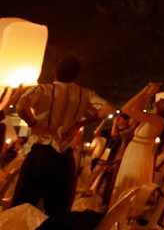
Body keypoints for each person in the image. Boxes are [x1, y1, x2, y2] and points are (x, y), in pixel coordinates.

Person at [13, 55, 114, 216]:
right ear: (77, 75)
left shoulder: (41, 89)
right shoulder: (85, 94)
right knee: (58, 213)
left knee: (21, 208)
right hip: (64, 159)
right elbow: (108, 110)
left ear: (54, 71)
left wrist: (33, 123)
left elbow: (21, 107)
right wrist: (79, 124)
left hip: (39, 155)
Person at [110, 82, 164, 205]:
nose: (160, 100)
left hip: (139, 154)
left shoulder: (159, 120)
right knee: (127, 182)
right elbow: (137, 109)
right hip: (136, 151)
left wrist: (145, 92)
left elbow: (127, 109)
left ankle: (125, 212)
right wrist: (147, 92)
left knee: (131, 184)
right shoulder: (153, 117)